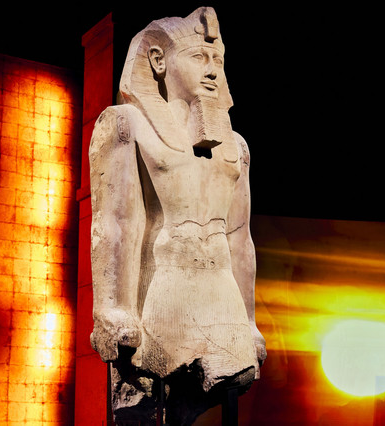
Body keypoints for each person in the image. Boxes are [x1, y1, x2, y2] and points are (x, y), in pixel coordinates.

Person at [88, 7, 266, 424]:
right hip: (162, 293)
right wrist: (113, 307)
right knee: (147, 409)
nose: (212, 70)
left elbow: (239, 238)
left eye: (217, 60)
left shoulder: (236, 146)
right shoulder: (127, 124)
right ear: (158, 60)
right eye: (199, 58)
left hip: (221, 295)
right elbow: (118, 222)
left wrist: (250, 320)